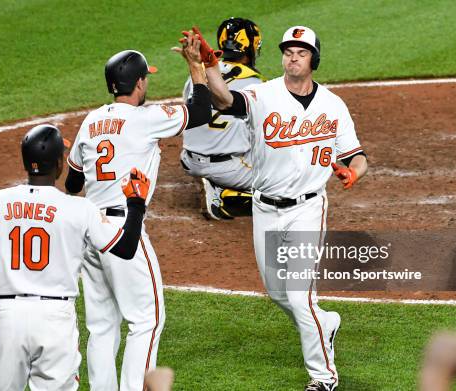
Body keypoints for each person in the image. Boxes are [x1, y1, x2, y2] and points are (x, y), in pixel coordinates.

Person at [180, 25, 368, 390]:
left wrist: (352, 173)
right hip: (265, 207)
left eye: (301, 52)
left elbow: (357, 156)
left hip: (308, 209)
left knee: (299, 294)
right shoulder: (262, 94)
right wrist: (208, 62)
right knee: (278, 292)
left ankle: (323, 378)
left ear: (314, 59)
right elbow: (223, 100)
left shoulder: (333, 104)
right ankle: (325, 324)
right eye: (288, 51)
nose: (293, 57)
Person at [0, 124, 151, 390]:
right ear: (58, 165)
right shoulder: (79, 209)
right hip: (55, 320)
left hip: (7, 318)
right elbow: (125, 248)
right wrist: (136, 204)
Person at [64, 40, 210, 391]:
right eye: (146, 79)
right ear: (140, 83)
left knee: (101, 325)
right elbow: (201, 112)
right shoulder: (147, 119)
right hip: (122, 228)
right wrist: (196, 66)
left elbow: (71, 183)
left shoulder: (91, 121)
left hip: (89, 232)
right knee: (147, 320)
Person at [180, 17, 265, 220]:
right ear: (251, 47)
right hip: (225, 166)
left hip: (188, 159)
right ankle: (224, 197)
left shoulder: (198, 73)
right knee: (284, 180)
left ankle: (214, 179)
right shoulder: (256, 84)